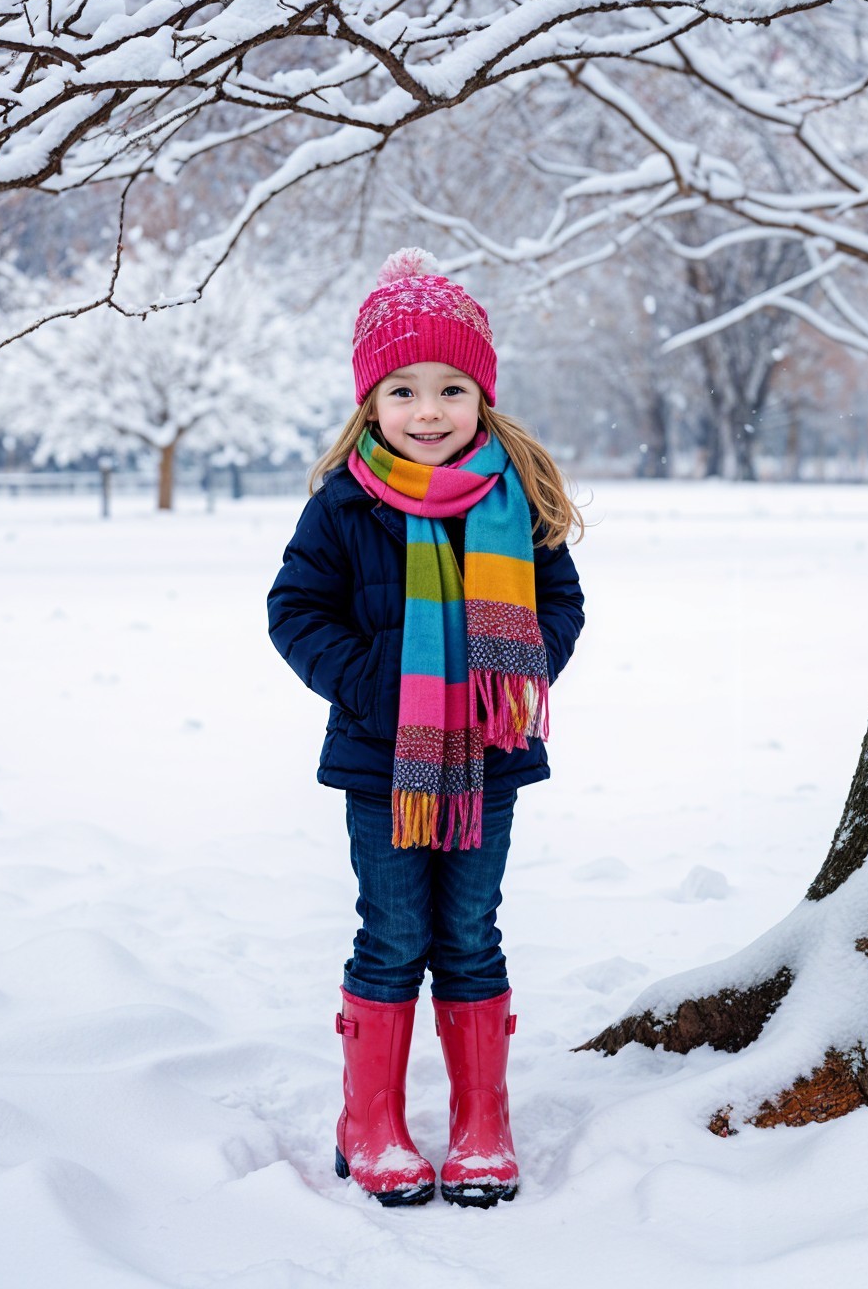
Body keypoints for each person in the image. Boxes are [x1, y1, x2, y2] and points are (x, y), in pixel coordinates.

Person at [266, 248, 585, 1208]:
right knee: (394, 934)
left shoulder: (513, 500)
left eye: (452, 387)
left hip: (489, 757)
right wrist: (377, 686)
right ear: (371, 403)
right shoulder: (345, 506)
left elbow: (560, 604)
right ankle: (370, 1120)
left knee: (472, 935)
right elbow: (295, 611)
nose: (429, 410)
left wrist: (507, 671)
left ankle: (482, 1121)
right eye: (403, 390)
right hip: (382, 761)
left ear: (482, 395)